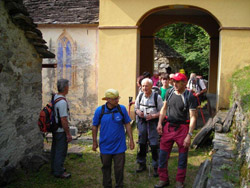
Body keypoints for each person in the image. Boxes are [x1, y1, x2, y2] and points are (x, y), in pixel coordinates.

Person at [154, 73, 198, 188]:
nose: (175, 84)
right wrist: (159, 123)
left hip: (182, 129)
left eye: (177, 82)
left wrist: (189, 134)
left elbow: (193, 117)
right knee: (163, 155)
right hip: (168, 127)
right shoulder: (169, 92)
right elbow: (164, 109)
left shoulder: (190, 96)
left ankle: (179, 181)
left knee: (182, 157)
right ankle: (163, 179)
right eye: (173, 81)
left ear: (184, 83)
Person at [92, 89, 134, 188]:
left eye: (117, 98)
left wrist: (131, 140)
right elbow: (94, 126)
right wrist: (94, 142)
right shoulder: (100, 110)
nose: (117, 101)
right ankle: (107, 185)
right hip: (105, 145)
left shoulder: (121, 109)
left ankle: (119, 185)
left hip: (119, 145)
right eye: (115, 99)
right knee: (106, 167)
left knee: (119, 168)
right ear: (108, 99)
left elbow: (127, 124)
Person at [135, 78, 163, 177]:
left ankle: (156, 167)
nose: (144, 88)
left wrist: (153, 116)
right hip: (142, 122)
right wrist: (139, 112)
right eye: (143, 86)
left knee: (154, 145)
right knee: (142, 143)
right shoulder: (140, 95)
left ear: (151, 86)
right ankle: (142, 164)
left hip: (153, 123)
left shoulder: (157, 97)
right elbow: (136, 108)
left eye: (146, 86)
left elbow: (162, 112)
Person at [51, 79, 72, 179]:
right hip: (60, 130)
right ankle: (59, 172)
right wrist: (68, 134)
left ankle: (55, 168)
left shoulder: (55, 97)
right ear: (65, 88)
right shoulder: (62, 102)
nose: (69, 88)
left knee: (55, 150)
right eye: (68, 86)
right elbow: (64, 119)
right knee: (61, 151)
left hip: (55, 128)